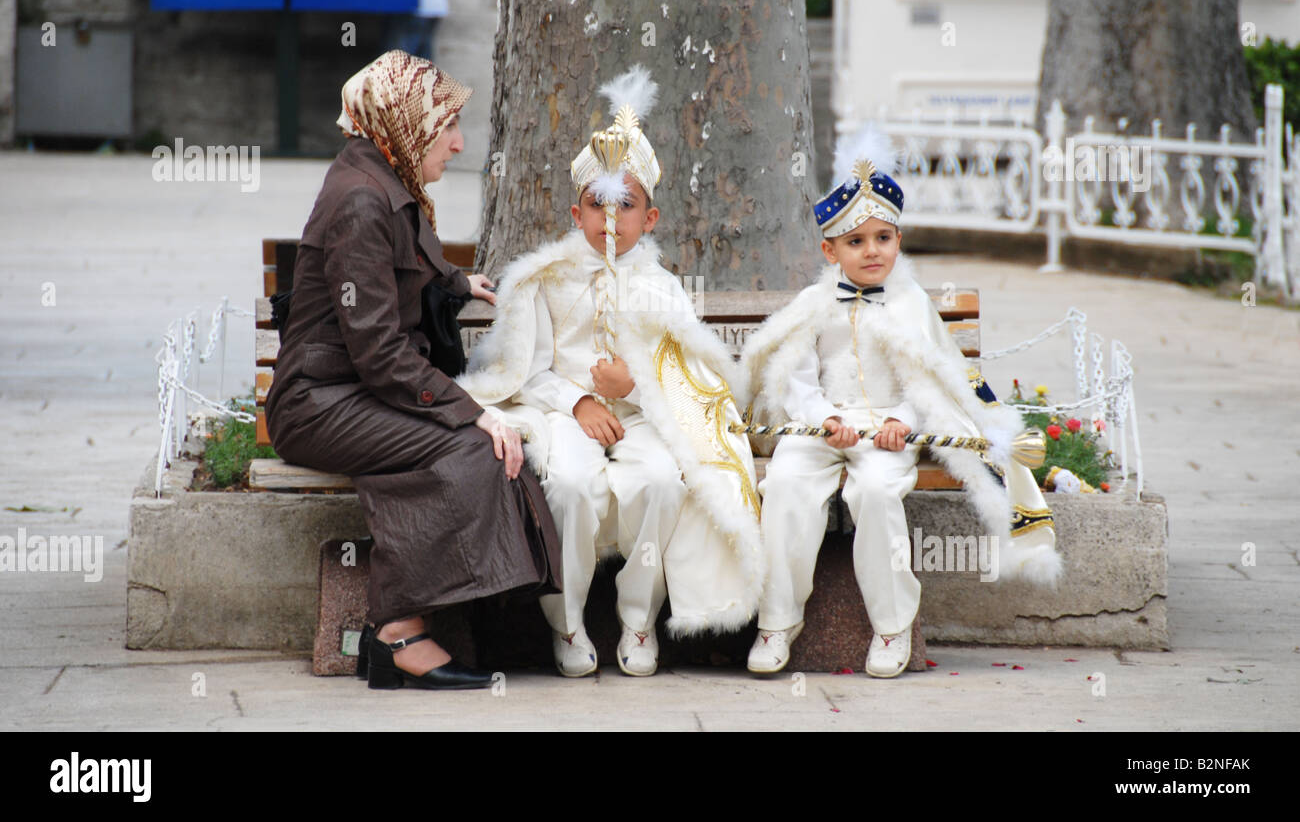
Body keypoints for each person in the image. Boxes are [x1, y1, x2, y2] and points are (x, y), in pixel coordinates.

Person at [265, 50, 560, 691]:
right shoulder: (362, 203)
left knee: (476, 446)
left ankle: (461, 626)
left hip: (349, 390)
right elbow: (376, 351)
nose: (457, 143)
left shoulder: (377, 177)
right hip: (319, 401)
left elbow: (392, 270)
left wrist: (456, 282)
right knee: (472, 448)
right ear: (405, 122)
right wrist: (473, 409)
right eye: (446, 125)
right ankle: (397, 632)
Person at [456, 66, 762, 678]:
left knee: (663, 482)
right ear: (577, 212)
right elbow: (527, 369)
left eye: (627, 206)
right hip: (560, 414)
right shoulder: (545, 280)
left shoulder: (663, 287)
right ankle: (566, 622)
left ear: (649, 220)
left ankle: (638, 618)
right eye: (598, 204)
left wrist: (632, 390)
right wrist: (579, 403)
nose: (611, 219)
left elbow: (684, 378)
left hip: (642, 418)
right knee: (568, 485)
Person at [739, 127, 1061, 679]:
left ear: (899, 240)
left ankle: (890, 627)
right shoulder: (815, 303)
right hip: (822, 427)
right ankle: (777, 620)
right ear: (830, 249)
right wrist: (825, 420)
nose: (872, 252)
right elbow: (795, 380)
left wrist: (901, 423)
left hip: (890, 429)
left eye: (883, 238)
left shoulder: (911, 304)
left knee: (879, 492)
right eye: (856, 242)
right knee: (787, 487)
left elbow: (930, 382)